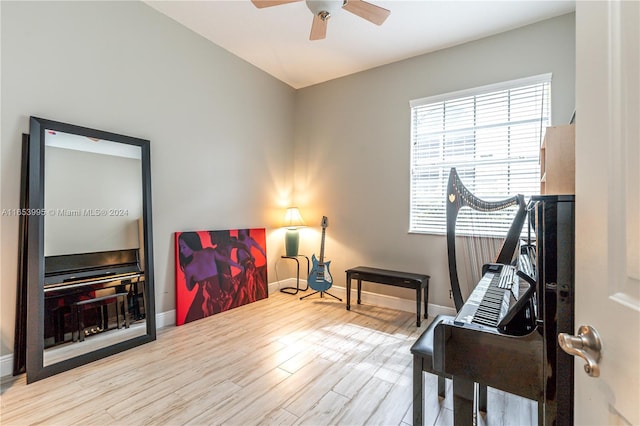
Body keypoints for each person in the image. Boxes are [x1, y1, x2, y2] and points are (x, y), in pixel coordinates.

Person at [177, 232, 231, 323]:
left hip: (204, 299)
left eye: (184, 247)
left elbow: (189, 288)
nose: (181, 251)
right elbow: (226, 260)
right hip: (211, 296)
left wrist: (193, 277)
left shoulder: (190, 267)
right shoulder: (209, 252)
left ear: (192, 245)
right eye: (180, 247)